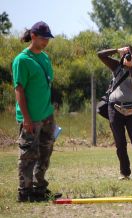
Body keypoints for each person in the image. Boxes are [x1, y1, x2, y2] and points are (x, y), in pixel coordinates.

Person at [12, 21, 61, 202]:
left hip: (47, 115)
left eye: (48, 38)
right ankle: (24, 193)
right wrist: (26, 118)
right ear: (33, 36)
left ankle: (40, 189)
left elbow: (47, 83)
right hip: (30, 117)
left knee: (45, 153)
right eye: (43, 38)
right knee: (28, 155)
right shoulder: (22, 60)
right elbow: (19, 90)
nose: (46, 41)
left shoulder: (45, 58)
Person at [97, 46, 132, 180]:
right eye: (125, 54)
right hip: (114, 108)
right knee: (120, 143)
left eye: (130, 54)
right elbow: (100, 55)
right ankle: (124, 173)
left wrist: (131, 66)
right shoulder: (116, 66)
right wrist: (116, 50)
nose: (127, 56)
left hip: (131, 110)